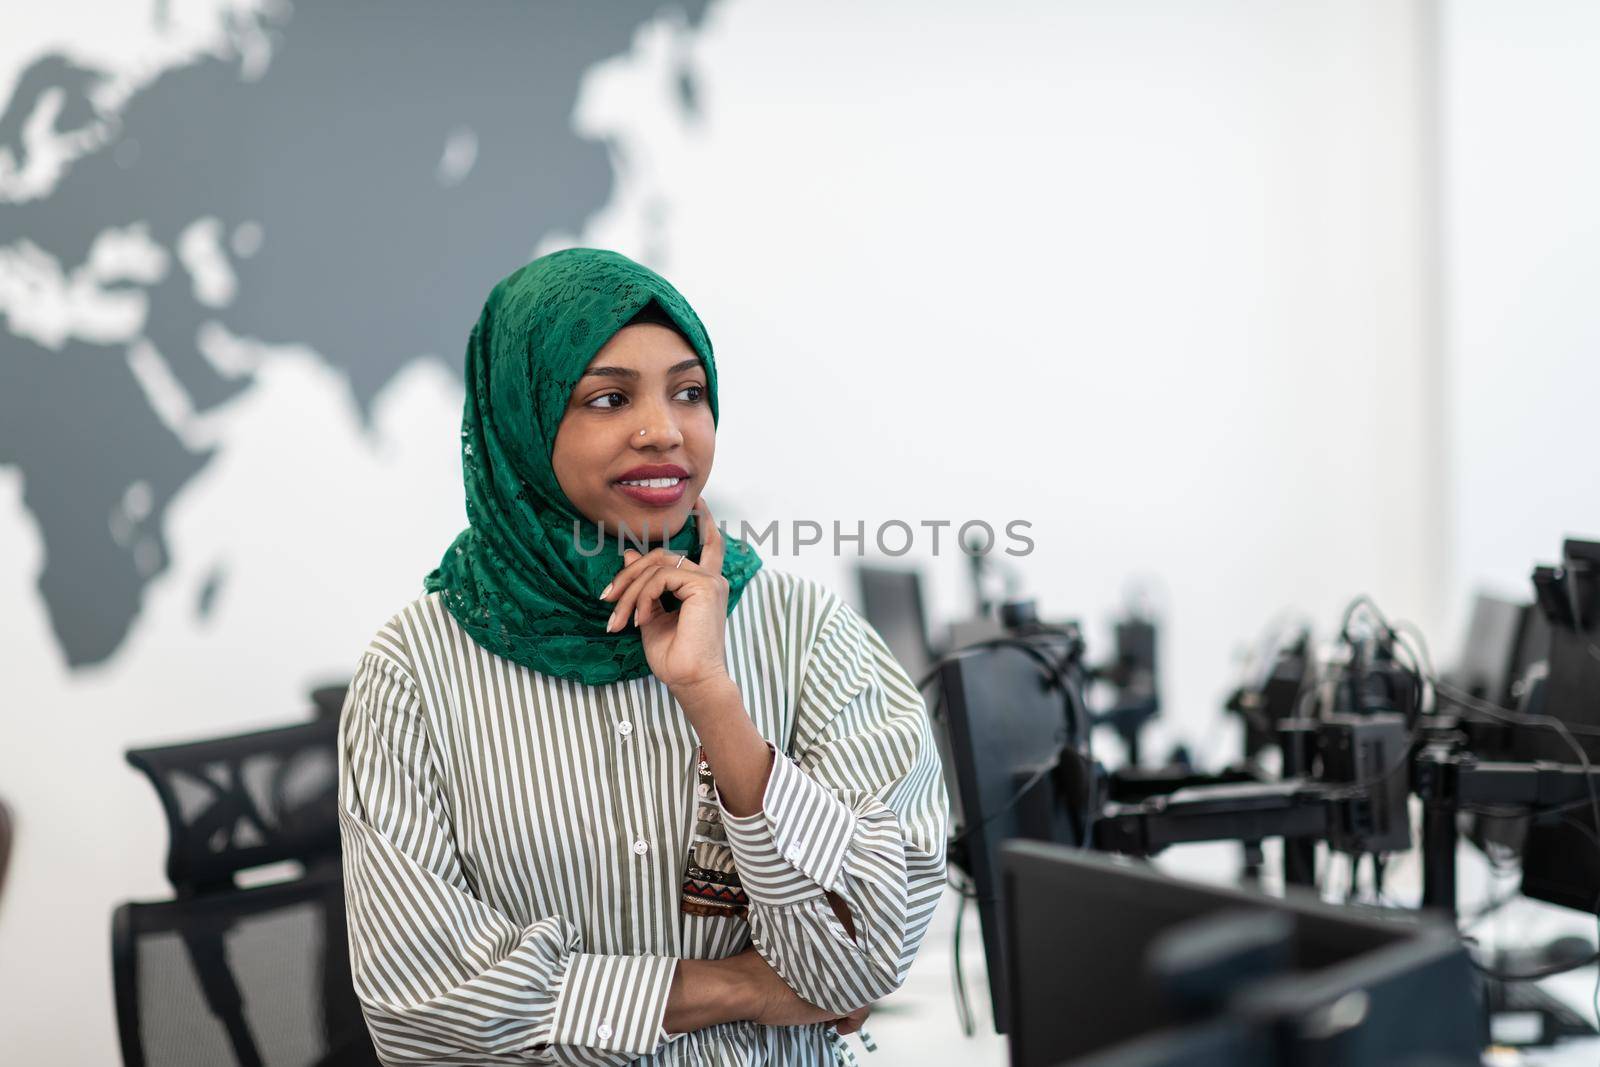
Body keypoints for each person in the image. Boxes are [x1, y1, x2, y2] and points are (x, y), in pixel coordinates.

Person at [336, 247, 949, 1066]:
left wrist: (713, 700)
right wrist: (730, 987)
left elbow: (861, 958)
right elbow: (426, 1012)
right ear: (522, 416)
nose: (663, 430)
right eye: (608, 397)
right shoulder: (414, 672)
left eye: (688, 393)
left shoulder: (808, 632)